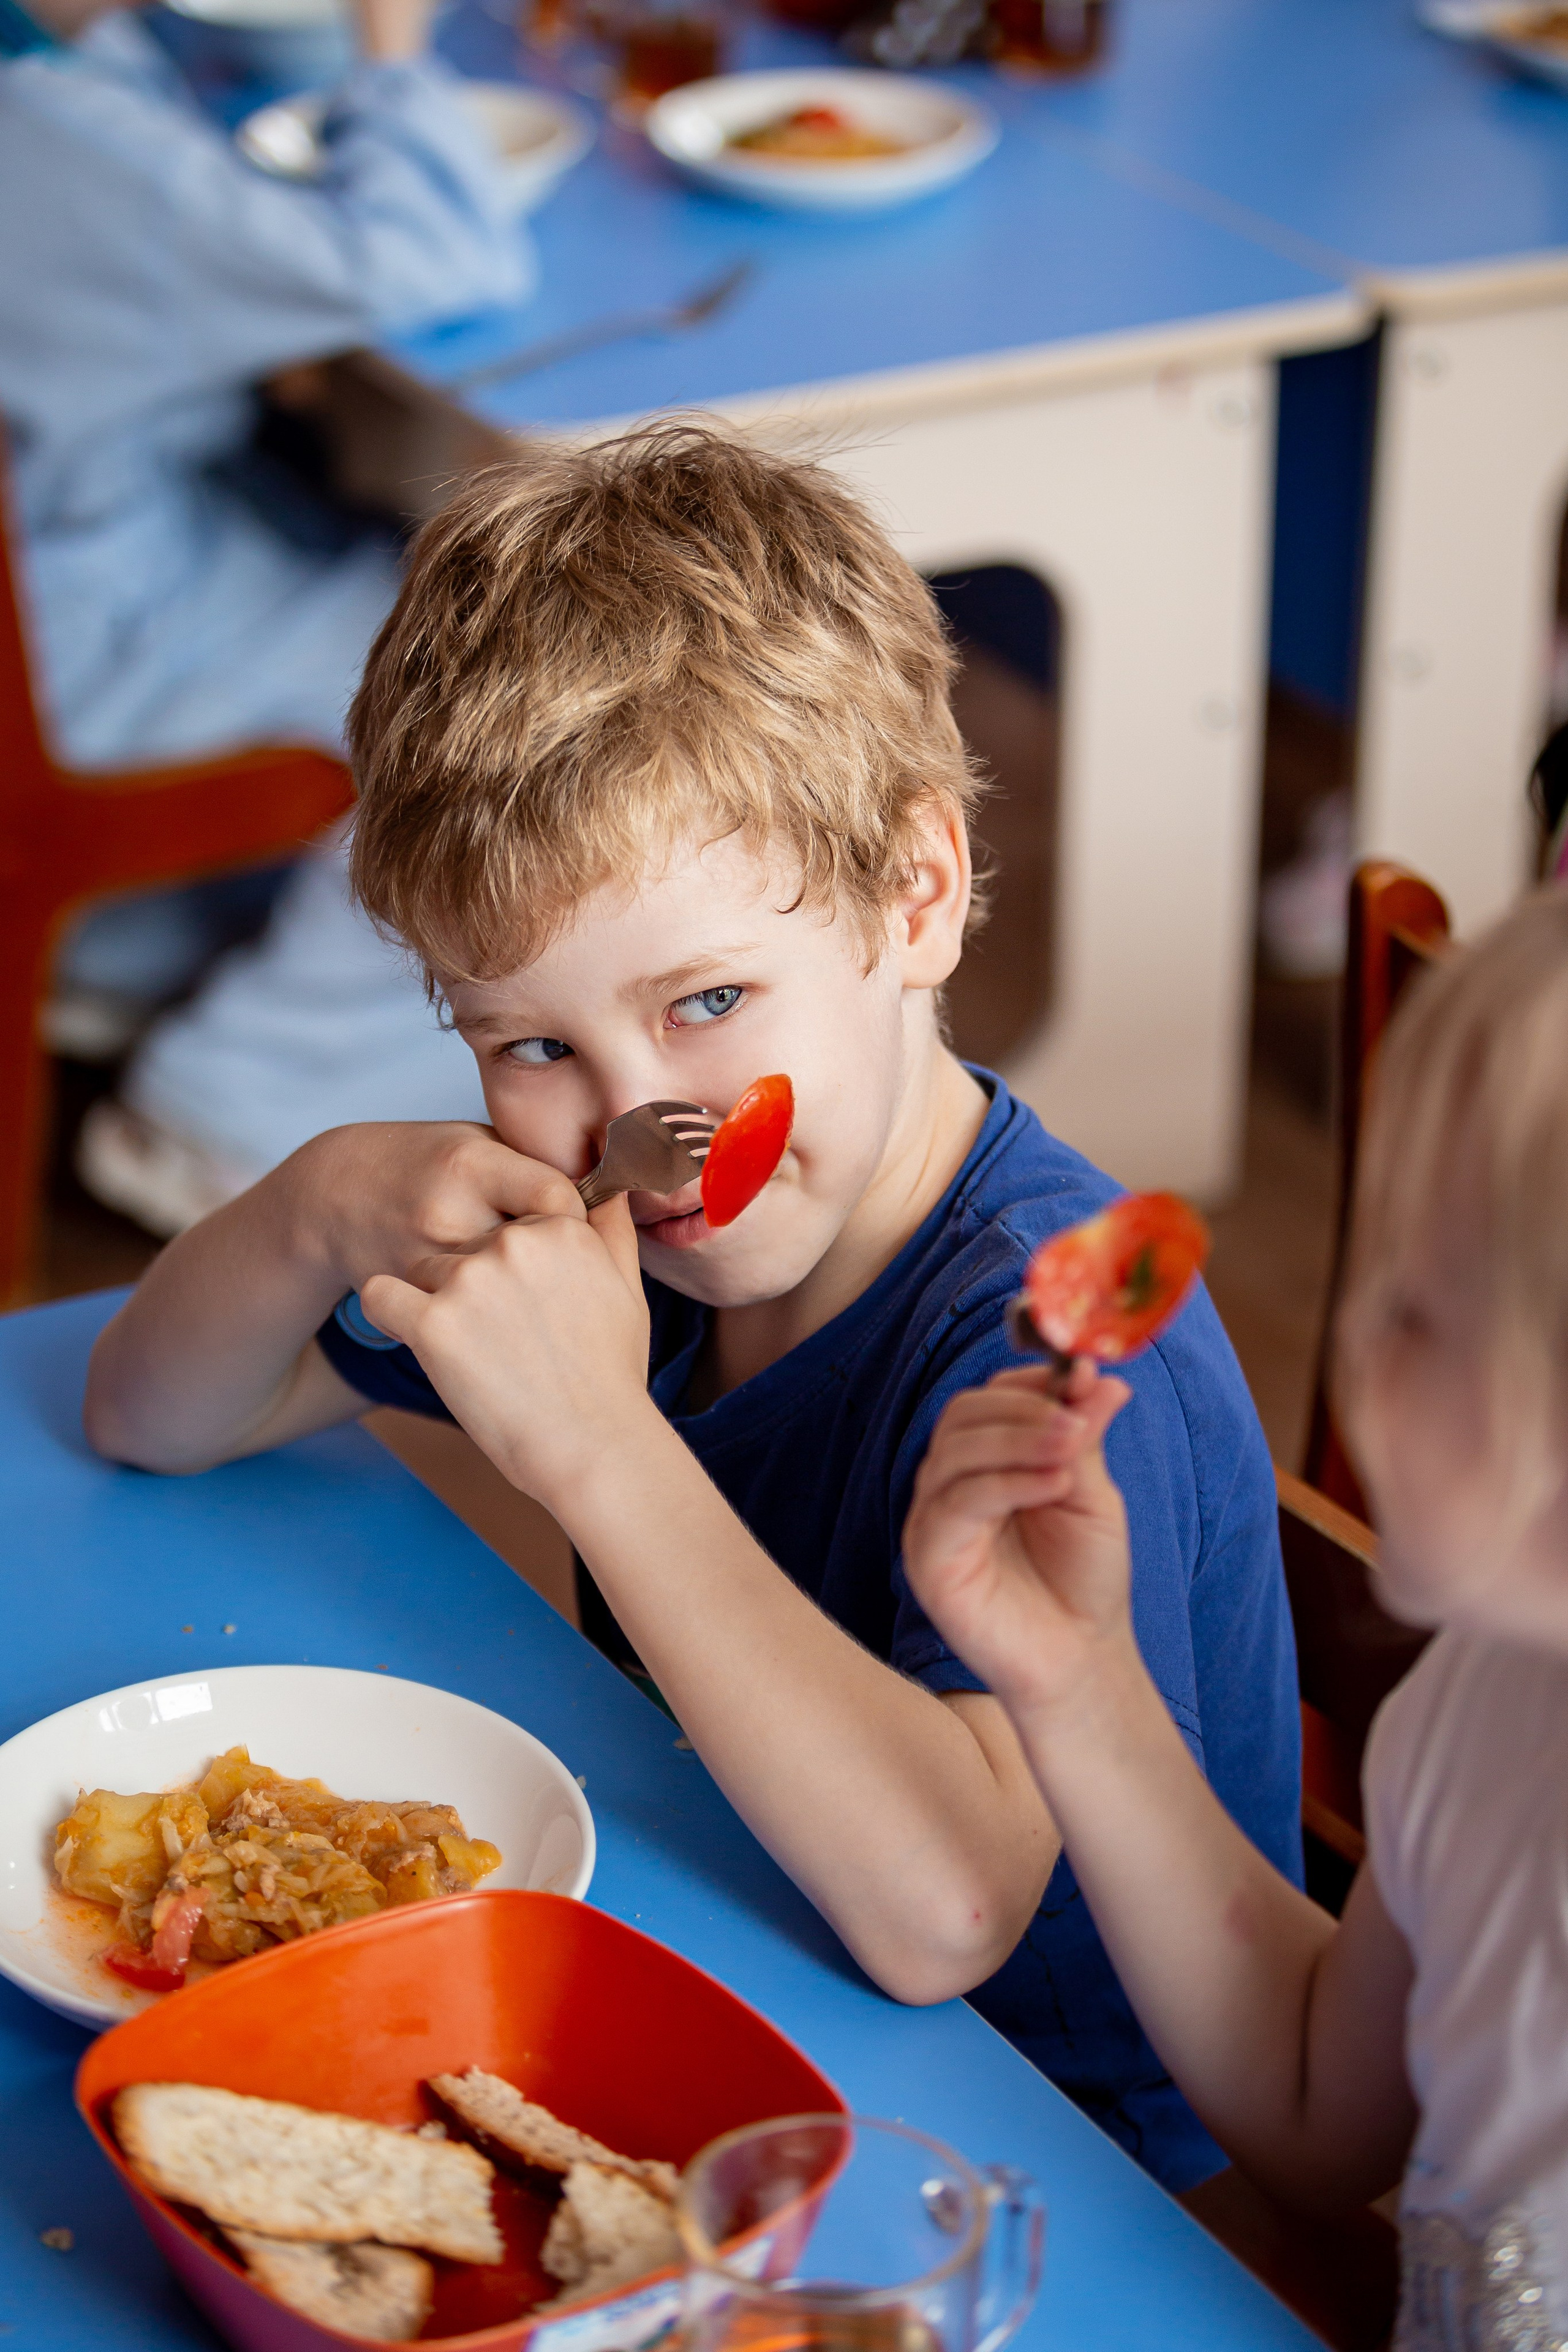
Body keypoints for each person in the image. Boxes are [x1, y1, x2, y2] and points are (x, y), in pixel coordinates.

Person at [82, 423, 1302, 2193]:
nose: (644, 1121)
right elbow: (150, 1411)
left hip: (1049, 2159)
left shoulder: (1056, 1344)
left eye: (711, 999)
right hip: (735, 1966)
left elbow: (954, 1912)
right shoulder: (621, 1224)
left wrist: (598, 1448)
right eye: (531, 1044)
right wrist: (318, 1202)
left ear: (918, 895)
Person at [903, 887, 1568, 2345]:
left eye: (1419, 1309)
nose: (1348, 1329)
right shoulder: (1492, 1699)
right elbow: (1321, 2107)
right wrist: (1075, 1680)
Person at [0, 0, 527, 1227]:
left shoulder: (58, 90)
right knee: (518, 682)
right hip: (69, 649)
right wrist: (392, 45)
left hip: (71, 570)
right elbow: (429, 254)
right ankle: (225, 1112)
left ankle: (122, 948)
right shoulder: (48, 128)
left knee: (366, 537)